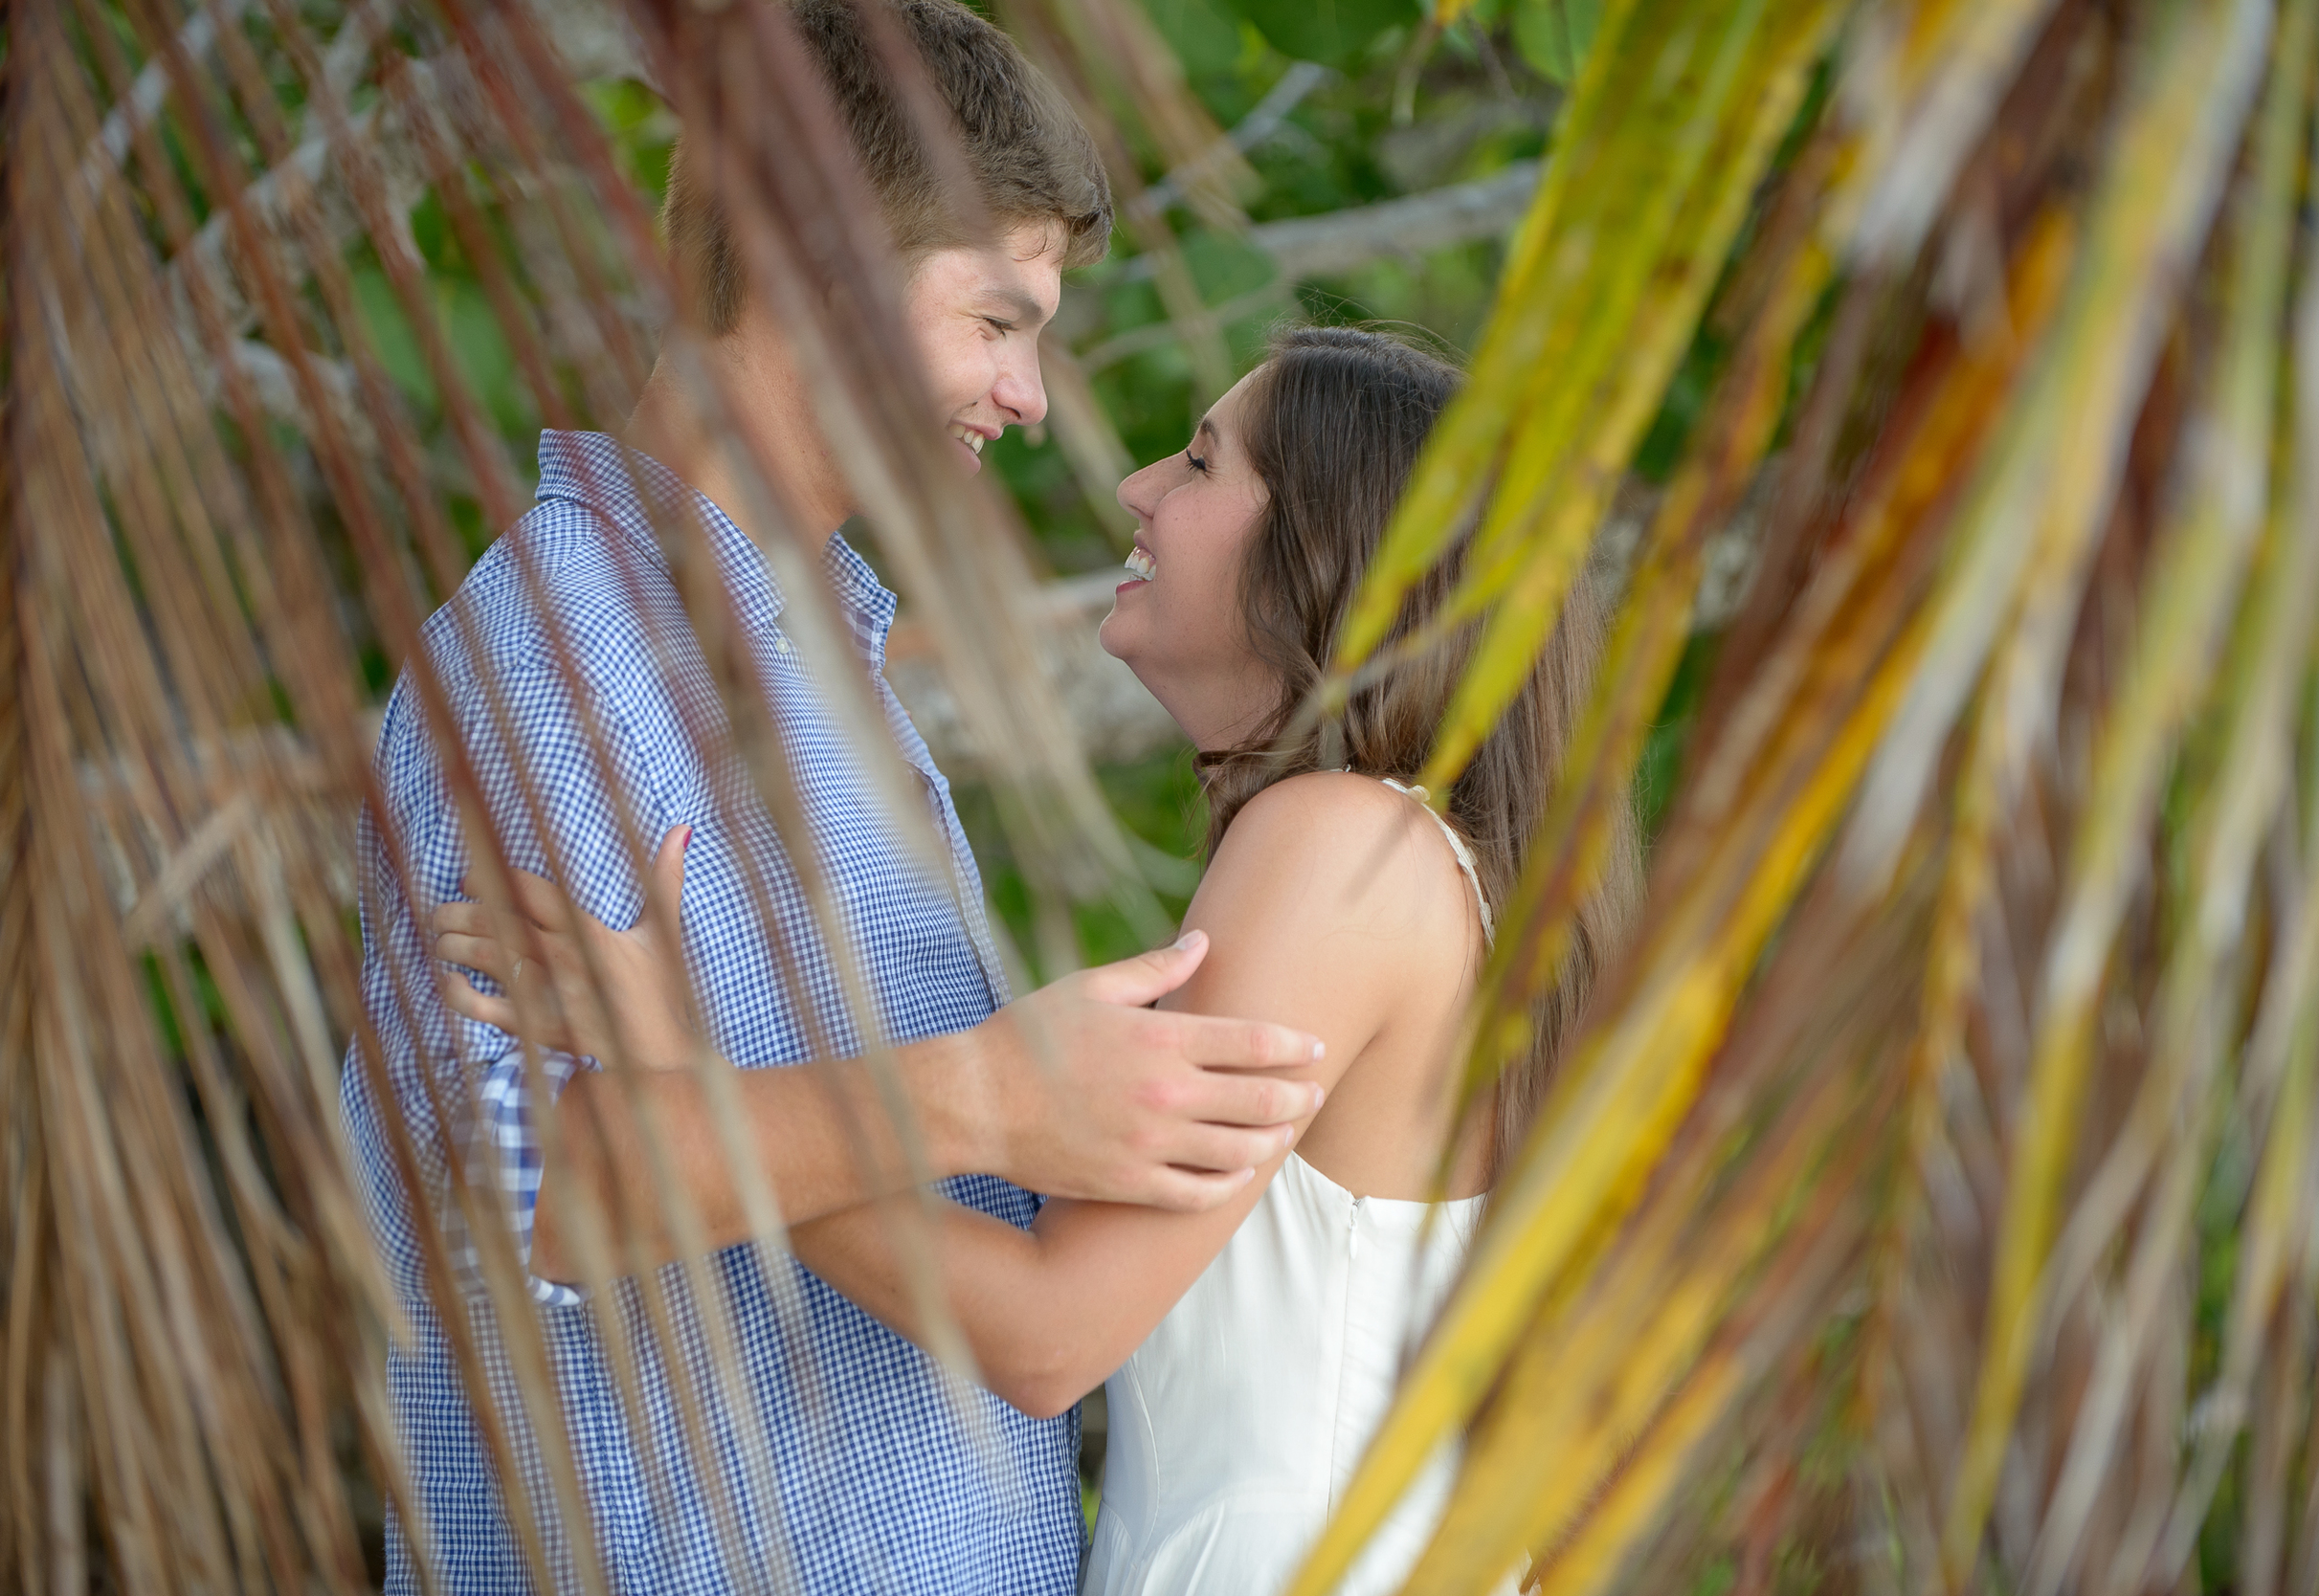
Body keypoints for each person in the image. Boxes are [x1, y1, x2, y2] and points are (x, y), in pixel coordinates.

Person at [340, 4, 1324, 1591]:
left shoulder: (814, 661)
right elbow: (514, 1202)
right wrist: (992, 1097)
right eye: (998, 322)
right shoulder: (560, 667)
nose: (1028, 396)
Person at [435, 325, 1642, 1594]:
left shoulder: (1344, 843)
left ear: (1322, 549)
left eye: (1198, 461)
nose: (1137, 488)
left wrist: (690, 1065)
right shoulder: (1407, 863)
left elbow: (1048, 1335)